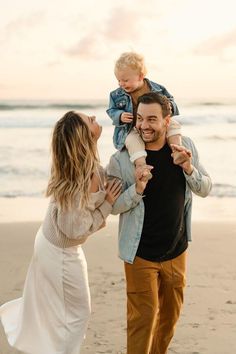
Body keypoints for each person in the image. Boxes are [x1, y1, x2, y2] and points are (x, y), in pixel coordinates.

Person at [0, 111, 122, 354]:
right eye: (89, 119)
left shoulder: (85, 165)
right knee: (77, 315)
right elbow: (73, 230)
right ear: (84, 136)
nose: (94, 116)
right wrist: (107, 204)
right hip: (60, 251)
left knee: (60, 313)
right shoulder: (82, 176)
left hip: (53, 244)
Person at [107, 92, 212, 354]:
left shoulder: (184, 146)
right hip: (140, 254)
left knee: (168, 320)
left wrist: (188, 167)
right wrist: (138, 188)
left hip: (177, 250)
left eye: (152, 119)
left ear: (167, 121)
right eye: (140, 119)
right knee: (141, 321)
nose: (144, 125)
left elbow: (205, 188)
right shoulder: (121, 160)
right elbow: (113, 207)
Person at [106, 51, 183, 177]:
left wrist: (169, 106)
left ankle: (177, 150)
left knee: (174, 125)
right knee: (132, 140)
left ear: (140, 76)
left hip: (155, 124)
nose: (121, 84)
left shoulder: (157, 89)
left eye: (125, 80)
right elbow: (111, 110)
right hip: (132, 127)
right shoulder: (116, 95)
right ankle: (141, 166)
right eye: (118, 80)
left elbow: (171, 101)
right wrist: (119, 115)